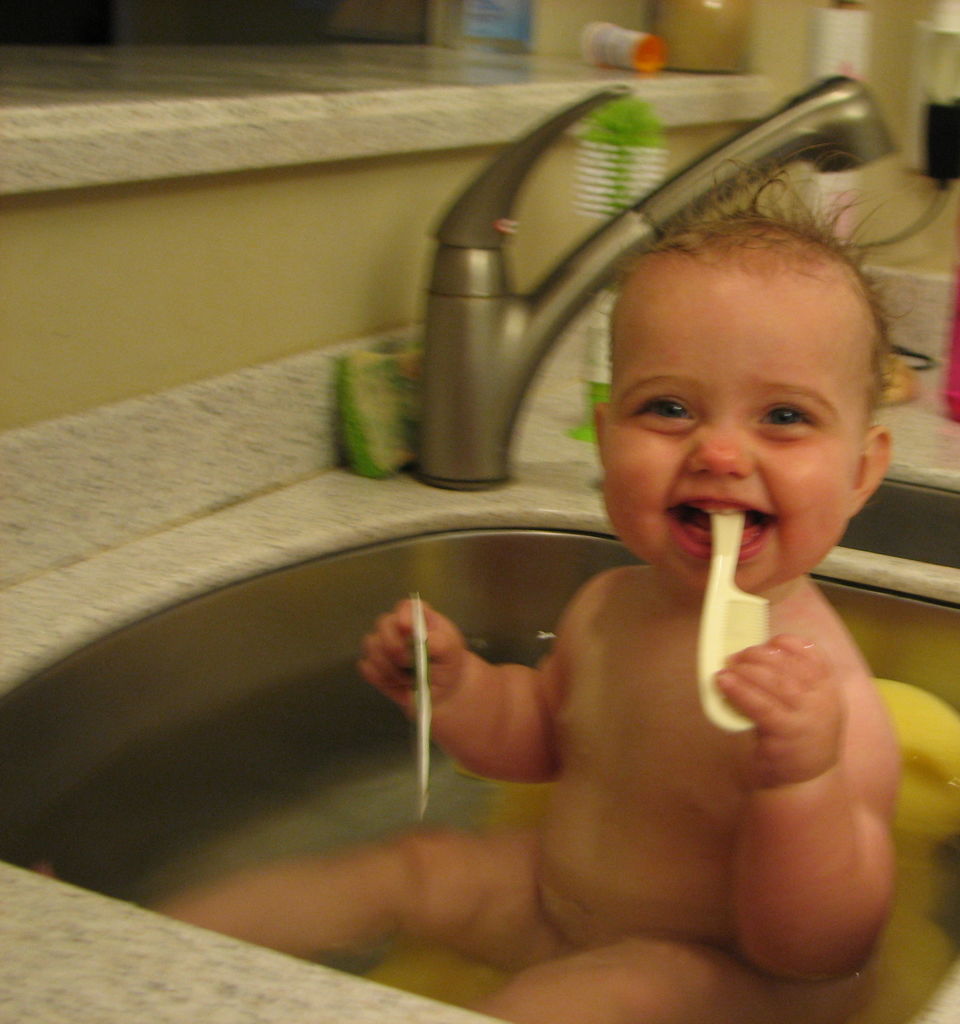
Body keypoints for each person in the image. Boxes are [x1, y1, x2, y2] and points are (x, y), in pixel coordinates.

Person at [161, 176, 902, 1024]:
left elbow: (819, 954)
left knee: (602, 996)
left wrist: (797, 782)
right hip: (556, 902)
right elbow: (546, 734)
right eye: (667, 407)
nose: (721, 451)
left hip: (723, 976)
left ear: (861, 472)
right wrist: (462, 689)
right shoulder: (608, 605)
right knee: (415, 867)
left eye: (782, 417)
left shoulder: (830, 705)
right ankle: (133, 950)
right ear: (605, 426)